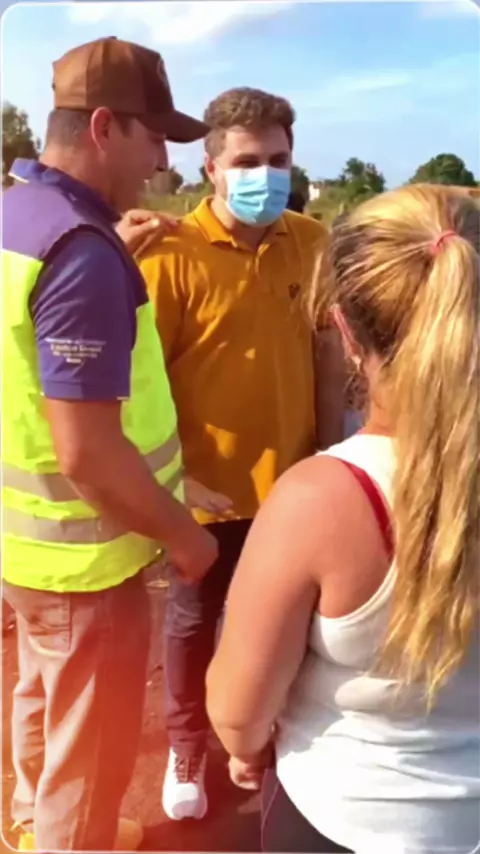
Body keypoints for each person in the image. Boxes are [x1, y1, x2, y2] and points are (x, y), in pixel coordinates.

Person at [206, 184, 480, 853]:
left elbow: (239, 710)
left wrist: (247, 746)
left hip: (345, 820)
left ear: (348, 333)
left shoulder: (322, 500)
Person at [2, 36, 219, 852]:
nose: (163, 159)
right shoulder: (78, 254)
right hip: (87, 564)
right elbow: (89, 454)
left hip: (25, 548)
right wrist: (184, 537)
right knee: (90, 757)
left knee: (41, 696)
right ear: (102, 127)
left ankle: (33, 828)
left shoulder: (18, 218)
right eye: (153, 135)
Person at [138, 85, 345, 820]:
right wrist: (174, 479)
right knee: (194, 622)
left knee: (296, 630)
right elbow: (142, 383)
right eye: (247, 162)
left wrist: (333, 456)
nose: (266, 175)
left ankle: (271, 746)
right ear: (211, 168)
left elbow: (327, 353)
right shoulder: (170, 253)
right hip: (207, 490)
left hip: (295, 488)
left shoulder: (310, 242)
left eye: (278, 160)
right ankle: (188, 745)